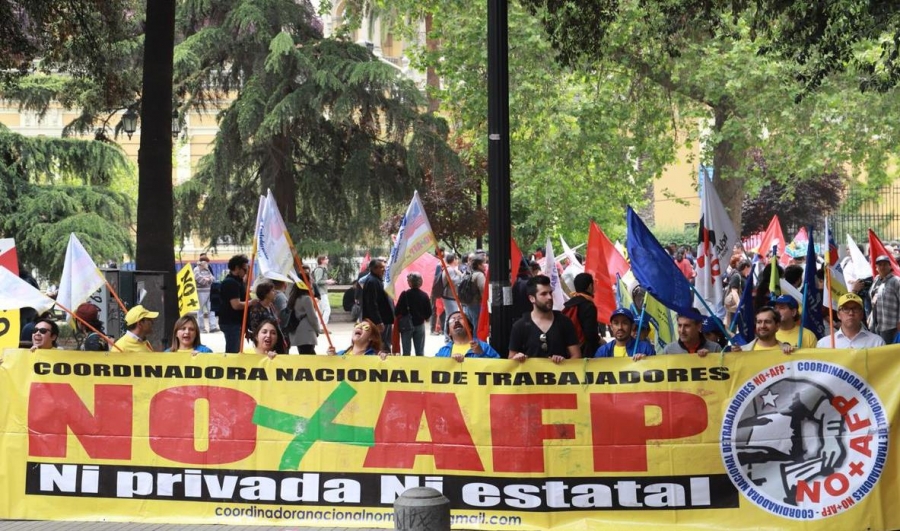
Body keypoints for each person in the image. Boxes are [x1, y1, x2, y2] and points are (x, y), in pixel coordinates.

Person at [508, 275, 581, 364]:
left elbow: (576, 355)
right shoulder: (520, 326)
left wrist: (564, 362)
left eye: (550, 293)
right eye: (544, 294)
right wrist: (517, 358)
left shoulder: (565, 322)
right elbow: (511, 359)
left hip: (559, 376)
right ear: (532, 298)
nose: (549, 297)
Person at [816, 293, 885, 348]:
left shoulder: (877, 343)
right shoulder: (823, 345)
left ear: (862, 314)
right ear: (838, 315)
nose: (851, 313)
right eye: (846, 309)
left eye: (855, 308)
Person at [561, 272, 600, 357]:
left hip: (568, 350)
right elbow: (591, 335)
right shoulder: (588, 306)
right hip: (584, 353)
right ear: (590, 287)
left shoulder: (568, 304)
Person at [436, 311, 501, 361]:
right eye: (452, 320)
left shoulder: (483, 347)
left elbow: (498, 367)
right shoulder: (443, 352)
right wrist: (449, 362)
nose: (456, 320)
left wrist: (481, 354)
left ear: (470, 327)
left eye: (460, 318)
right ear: (449, 332)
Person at [360, 258, 394, 349]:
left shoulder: (377, 280)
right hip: (378, 320)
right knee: (380, 343)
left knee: (386, 341)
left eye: (384, 267)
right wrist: (378, 321)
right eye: (381, 268)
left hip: (384, 318)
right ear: (374, 269)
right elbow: (371, 304)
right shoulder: (372, 281)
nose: (384, 269)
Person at [730, 306, 794, 354]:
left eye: (767, 322)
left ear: (777, 326)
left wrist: (792, 354)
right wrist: (735, 357)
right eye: (759, 322)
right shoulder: (743, 351)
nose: (762, 326)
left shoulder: (788, 352)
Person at [395, 272, 432, 356]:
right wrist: (424, 317)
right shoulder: (424, 295)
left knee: (406, 352)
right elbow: (429, 312)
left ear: (410, 283)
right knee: (420, 352)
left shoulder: (404, 294)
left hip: (406, 326)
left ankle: (407, 367)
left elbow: (397, 311)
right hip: (419, 325)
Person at [219, 254, 249, 353]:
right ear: (237, 268)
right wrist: (251, 303)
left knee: (237, 349)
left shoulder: (238, 281)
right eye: (244, 270)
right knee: (233, 351)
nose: (246, 272)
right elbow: (236, 305)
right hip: (231, 323)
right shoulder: (231, 283)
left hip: (236, 322)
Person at [868, 254, 900, 344]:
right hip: (875, 324)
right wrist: (870, 315)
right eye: (880, 265)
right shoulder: (876, 279)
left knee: (888, 352)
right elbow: (874, 300)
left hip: (890, 325)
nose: (882, 267)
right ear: (876, 267)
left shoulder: (896, 281)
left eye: (885, 264)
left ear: (890, 266)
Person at [286, 280, 320, 355]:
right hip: (306, 333)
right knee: (310, 356)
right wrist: (317, 329)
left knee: (304, 354)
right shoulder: (306, 299)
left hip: (298, 333)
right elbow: (313, 317)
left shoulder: (294, 298)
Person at [440, 253, 463, 340]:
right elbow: (454, 282)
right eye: (456, 259)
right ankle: (448, 337)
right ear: (453, 260)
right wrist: (460, 274)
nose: (458, 260)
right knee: (451, 317)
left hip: (450, 296)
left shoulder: (450, 269)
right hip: (449, 296)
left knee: (449, 316)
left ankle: (448, 336)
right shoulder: (450, 270)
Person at [193, 254, 218, 332]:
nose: (207, 264)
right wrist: (206, 280)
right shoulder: (196, 269)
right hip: (200, 292)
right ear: (202, 262)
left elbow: (213, 278)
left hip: (209, 291)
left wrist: (208, 279)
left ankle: (213, 327)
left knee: (211, 309)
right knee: (200, 310)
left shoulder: (207, 269)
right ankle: (201, 328)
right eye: (206, 262)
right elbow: (197, 278)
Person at [462, 256, 487, 330]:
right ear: (479, 265)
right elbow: (483, 289)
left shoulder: (466, 274)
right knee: (478, 327)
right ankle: (477, 341)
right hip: (477, 304)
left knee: (470, 326)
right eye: (483, 264)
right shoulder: (479, 275)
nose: (485, 266)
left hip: (467, 304)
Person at [312, 255, 337, 325]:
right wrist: (327, 281)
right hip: (321, 293)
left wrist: (328, 281)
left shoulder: (322, 269)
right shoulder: (320, 269)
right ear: (321, 260)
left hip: (321, 292)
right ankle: (323, 326)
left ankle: (318, 326)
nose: (328, 260)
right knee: (327, 309)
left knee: (319, 310)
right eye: (326, 259)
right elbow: (317, 281)